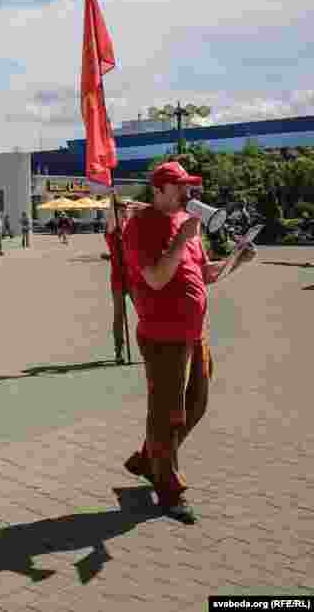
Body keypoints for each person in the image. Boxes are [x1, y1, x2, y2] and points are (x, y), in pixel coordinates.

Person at [122, 161, 256, 524]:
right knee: (168, 414)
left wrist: (236, 261)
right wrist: (182, 238)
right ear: (159, 190)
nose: (188, 192)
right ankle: (169, 491)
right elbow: (155, 278)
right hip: (162, 335)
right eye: (180, 186)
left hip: (194, 332)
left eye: (189, 185)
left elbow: (204, 274)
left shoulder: (186, 223)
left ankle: (149, 459)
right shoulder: (140, 226)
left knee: (197, 403)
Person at [105, 199, 137, 364]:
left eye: (125, 210)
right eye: (121, 210)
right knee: (119, 316)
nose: (124, 212)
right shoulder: (112, 230)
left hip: (133, 278)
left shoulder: (132, 230)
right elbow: (111, 218)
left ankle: (152, 345)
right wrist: (113, 203)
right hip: (118, 278)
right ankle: (119, 350)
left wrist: (131, 209)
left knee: (144, 312)